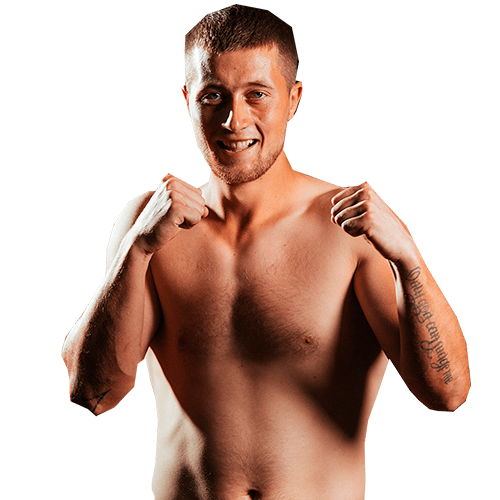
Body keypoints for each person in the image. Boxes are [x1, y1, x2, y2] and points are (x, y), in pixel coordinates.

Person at [62, 5, 470, 499]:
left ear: (293, 99)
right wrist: (136, 250)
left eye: (257, 94)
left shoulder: (352, 228)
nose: (234, 120)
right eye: (213, 95)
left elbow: (447, 394)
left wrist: (408, 258)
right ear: (188, 100)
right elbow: (93, 394)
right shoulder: (148, 226)